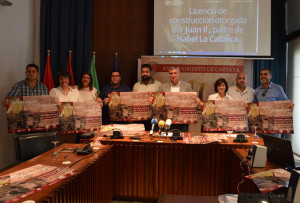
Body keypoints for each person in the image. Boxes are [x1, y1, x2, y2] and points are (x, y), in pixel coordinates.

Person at [159, 67, 200, 131]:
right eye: (171, 73)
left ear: (179, 74)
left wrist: (196, 99)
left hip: (182, 118)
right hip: (167, 118)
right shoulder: (163, 86)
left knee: (182, 137)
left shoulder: (187, 86)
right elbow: (159, 101)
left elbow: (192, 98)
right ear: (169, 75)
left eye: (175, 73)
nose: (173, 75)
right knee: (167, 137)